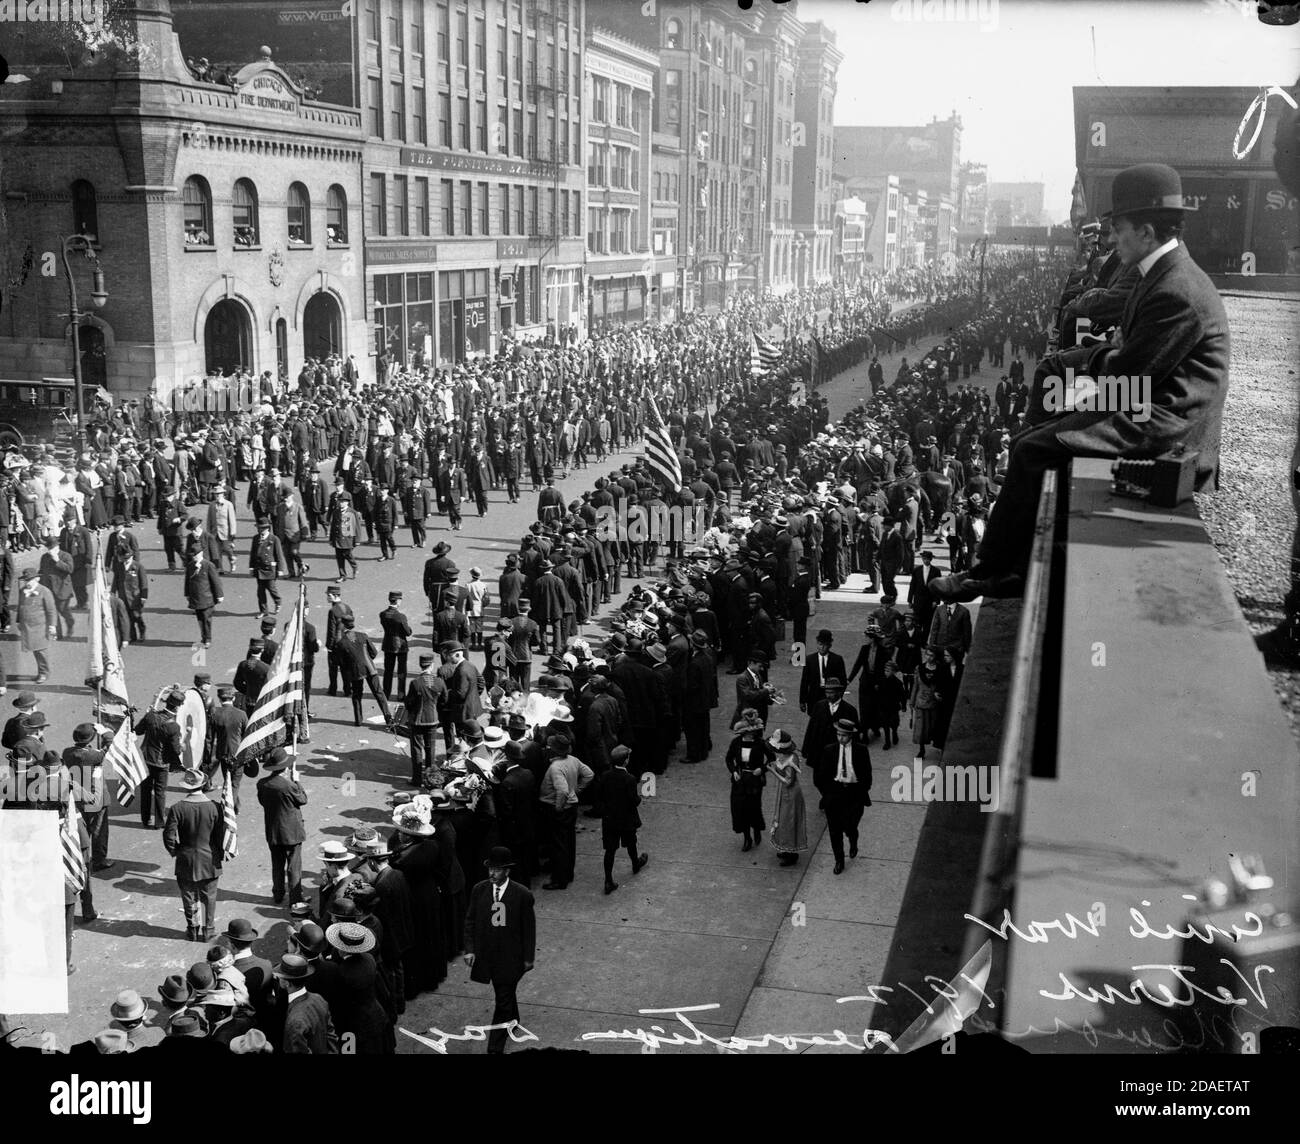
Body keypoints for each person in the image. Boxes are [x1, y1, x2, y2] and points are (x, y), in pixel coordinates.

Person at [933, 163, 1230, 602]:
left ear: (1146, 232)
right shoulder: (1167, 275)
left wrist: (1084, 378)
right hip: (1150, 403)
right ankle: (1012, 565)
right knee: (1042, 427)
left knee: (1031, 448)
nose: (1111, 239)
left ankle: (992, 572)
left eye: (1119, 229)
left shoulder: (1175, 290)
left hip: (1164, 424)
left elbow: (1128, 377)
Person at [463, 845, 536, 1055]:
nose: (491, 874)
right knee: (504, 994)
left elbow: (529, 930)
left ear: (507, 871)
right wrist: (470, 949)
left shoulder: (522, 895)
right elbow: (470, 921)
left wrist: (528, 958)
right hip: (488, 957)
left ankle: (494, 1047)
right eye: (490, 869)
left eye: (496, 870)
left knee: (502, 998)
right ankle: (513, 1019)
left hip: (511, 958)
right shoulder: (479, 890)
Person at [162, 767, 226, 941]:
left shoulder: (177, 808)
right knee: (209, 897)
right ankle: (208, 930)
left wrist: (174, 850)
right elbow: (221, 834)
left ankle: (192, 929)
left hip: (186, 857)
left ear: (186, 787)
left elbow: (169, 835)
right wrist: (220, 853)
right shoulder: (215, 807)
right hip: (209, 858)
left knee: (188, 896)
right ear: (203, 785)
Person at [814, 718, 872, 876]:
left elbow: (867, 774)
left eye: (844, 735)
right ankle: (839, 860)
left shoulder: (861, 750)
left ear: (851, 736)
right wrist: (827, 793)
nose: (840, 738)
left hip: (854, 794)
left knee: (850, 827)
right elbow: (821, 776)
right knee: (834, 831)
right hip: (834, 794)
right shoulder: (829, 750)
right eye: (838, 734)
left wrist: (862, 790)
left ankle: (853, 841)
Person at [537, 733, 593, 890]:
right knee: (568, 841)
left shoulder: (556, 767)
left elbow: (562, 791)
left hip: (559, 809)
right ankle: (567, 873)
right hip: (571, 808)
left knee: (558, 845)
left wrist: (558, 807)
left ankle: (559, 880)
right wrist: (577, 791)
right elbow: (589, 774)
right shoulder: (573, 760)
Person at [593, 745, 649, 895]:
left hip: (610, 818)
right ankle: (635, 864)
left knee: (610, 850)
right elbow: (634, 800)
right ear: (625, 761)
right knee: (631, 843)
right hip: (626, 818)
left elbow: (599, 795)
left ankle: (608, 880)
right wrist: (639, 798)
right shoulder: (629, 779)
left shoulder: (605, 776)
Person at [256, 748, 308, 909]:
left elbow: (263, 802)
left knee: (277, 865)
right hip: (292, 831)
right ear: (285, 768)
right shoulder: (289, 786)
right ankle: (295, 898)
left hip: (273, 831)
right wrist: (296, 781)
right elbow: (303, 799)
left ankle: (278, 894)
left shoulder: (262, 784)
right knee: (294, 867)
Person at [135, 688, 184, 827]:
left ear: (166, 702)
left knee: (145, 790)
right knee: (160, 792)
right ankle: (159, 822)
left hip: (146, 758)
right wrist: (183, 746)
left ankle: (145, 820)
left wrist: (145, 717)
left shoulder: (151, 716)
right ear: (178, 707)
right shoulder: (174, 726)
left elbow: (138, 731)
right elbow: (176, 750)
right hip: (162, 762)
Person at [335, 616, 393, 728]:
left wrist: (350, 667)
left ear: (343, 626)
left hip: (355, 671)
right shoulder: (363, 636)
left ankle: (358, 719)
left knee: (357, 695)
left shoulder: (342, 643)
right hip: (370, 668)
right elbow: (374, 652)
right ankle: (388, 717)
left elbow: (341, 662)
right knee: (379, 693)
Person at [725, 710, 771, 852]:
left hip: (755, 781)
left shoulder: (760, 743)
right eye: (748, 733)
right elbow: (729, 758)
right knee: (740, 808)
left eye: (754, 732)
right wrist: (733, 771)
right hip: (740, 780)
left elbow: (772, 759)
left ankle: (756, 828)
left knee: (754, 808)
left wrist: (762, 769)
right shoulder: (736, 743)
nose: (751, 735)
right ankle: (747, 838)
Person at [274, 954, 337, 1054]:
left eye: (280, 976)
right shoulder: (318, 998)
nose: (278, 978)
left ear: (286, 983)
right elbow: (331, 1034)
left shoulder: (295, 1021)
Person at [404, 652, 447, 786]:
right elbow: (444, 700)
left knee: (417, 749)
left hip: (417, 720)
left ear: (420, 665)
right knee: (430, 749)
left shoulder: (415, 683)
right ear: (432, 666)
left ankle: (417, 779)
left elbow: (408, 702)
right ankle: (431, 779)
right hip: (433, 719)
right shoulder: (439, 682)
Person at [765, 729, 807, 866]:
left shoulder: (791, 759)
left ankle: (791, 853)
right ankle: (785, 848)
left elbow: (788, 781)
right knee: (783, 820)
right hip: (784, 792)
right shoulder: (784, 756)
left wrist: (772, 771)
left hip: (791, 794)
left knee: (788, 821)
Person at [16, 568, 56, 683]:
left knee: (41, 651)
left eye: (30, 580)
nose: (27, 583)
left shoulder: (44, 591)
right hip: (27, 627)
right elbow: (20, 606)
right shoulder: (22, 590)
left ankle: (44, 673)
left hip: (40, 627)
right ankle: (40, 672)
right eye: (25, 580)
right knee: (35, 650)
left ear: (37, 579)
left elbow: (51, 610)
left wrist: (52, 626)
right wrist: (18, 621)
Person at [183, 545, 224, 648]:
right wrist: (187, 594)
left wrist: (219, 595)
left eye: (195, 555)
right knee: (200, 619)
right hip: (196, 598)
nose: (193, 557)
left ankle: (208, 639)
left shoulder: (208, 565)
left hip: (207, 598)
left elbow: (216, 581)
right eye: (192, 556)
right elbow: (187, 581)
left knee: (207, 619)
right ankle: (204, 637)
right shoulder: (190, 566)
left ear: (200, 554)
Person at [798, 629, 847, 712]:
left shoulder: (837, 660)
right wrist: (802, 701)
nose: (822, 647)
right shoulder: (810, 660)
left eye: (825, 645)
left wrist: (838, 696)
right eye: (820, 644)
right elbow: (804, 682)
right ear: (817, 644)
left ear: (830, 645)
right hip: (814, 695)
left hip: (831, 694)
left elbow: (843, 680)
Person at [909, 648, 945, 761]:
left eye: (931, 655)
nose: (928, 657)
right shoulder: (919, 668)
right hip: (921, 702)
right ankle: (922, 749)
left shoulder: (940, 669)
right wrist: (912, 701)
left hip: (934, 703)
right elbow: (915, 685)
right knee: (921, 728)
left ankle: (939, 746)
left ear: (936, 656)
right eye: (927, 654)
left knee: (934, 727)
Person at [379, 590, 411, 700]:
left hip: (388, 644)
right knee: (401, 672)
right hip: (400, 645)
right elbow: (408, 632)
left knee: (388, 671)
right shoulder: (400, 616)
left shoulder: (383, 614)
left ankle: (386, 693)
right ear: (397, 600)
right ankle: (401, 695)